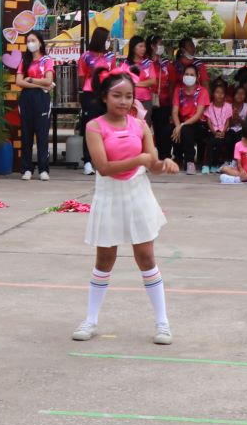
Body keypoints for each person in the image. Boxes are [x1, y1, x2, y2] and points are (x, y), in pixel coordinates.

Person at [74, 69, 180, 346]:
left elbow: (153, 164)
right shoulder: (94, 127)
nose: (123, 101)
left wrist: (164, 165)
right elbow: (104, 167)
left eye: (129, 96)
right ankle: (90, 320)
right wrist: (141, 160)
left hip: (138, 194)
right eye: (117, 96)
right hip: (109, 195)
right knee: (104, 260)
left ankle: (162, 323)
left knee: (146, 257)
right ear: (104, 97)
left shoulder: (140, 125)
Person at [15, 32, 54, 182]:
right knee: (26, 135)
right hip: (26, 98)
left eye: (33, 40)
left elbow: (49, 80)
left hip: (41, 99)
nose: (30, 43)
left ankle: (43, 169)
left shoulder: (47, 60)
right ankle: (27, 168)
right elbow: (19, 82)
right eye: (28, 41)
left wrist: (31, 79)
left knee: (42, 135)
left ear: (40, 42)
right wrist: (40, 83)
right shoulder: (24, 60)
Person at [75, 27, 114, 174]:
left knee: (106, 127)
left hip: (107, 95)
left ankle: (104, 161)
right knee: (90, 127)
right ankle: (87, 161)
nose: (109, 41)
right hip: (90, 94)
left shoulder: (110, 56)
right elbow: (81, 76)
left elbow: (113, 74)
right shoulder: (86, 56)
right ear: (100, 39)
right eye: (107, 39)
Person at [169, 63, 209, 173]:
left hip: (198, 124)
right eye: (186, 74)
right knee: (170, 129)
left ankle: (190, 162)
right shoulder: (178, 90)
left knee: (186, 130)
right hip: (182, 121)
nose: (189, 77)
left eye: (192, 75)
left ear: (197, 77)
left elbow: (198, 114)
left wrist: (181, 126)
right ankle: (177, 158)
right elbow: (174, 112)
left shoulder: (202, 91)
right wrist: (178, 126)